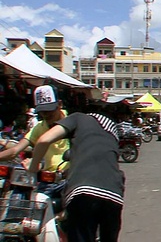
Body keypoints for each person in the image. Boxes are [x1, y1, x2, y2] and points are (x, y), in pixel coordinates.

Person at [27, 99, 125, 242]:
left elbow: (43, 140)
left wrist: (32, 168)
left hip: (83, 192)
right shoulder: (112, 132)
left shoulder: (79, 118)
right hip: (114, 194)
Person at [0, 85, 70, 173]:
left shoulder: (73, 123)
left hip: (70, 176)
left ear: (59, 104)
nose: (46, 114)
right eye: (42, 111)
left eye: (49, 110)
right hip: (48, 178)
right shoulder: (40, 127)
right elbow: (15, 151)